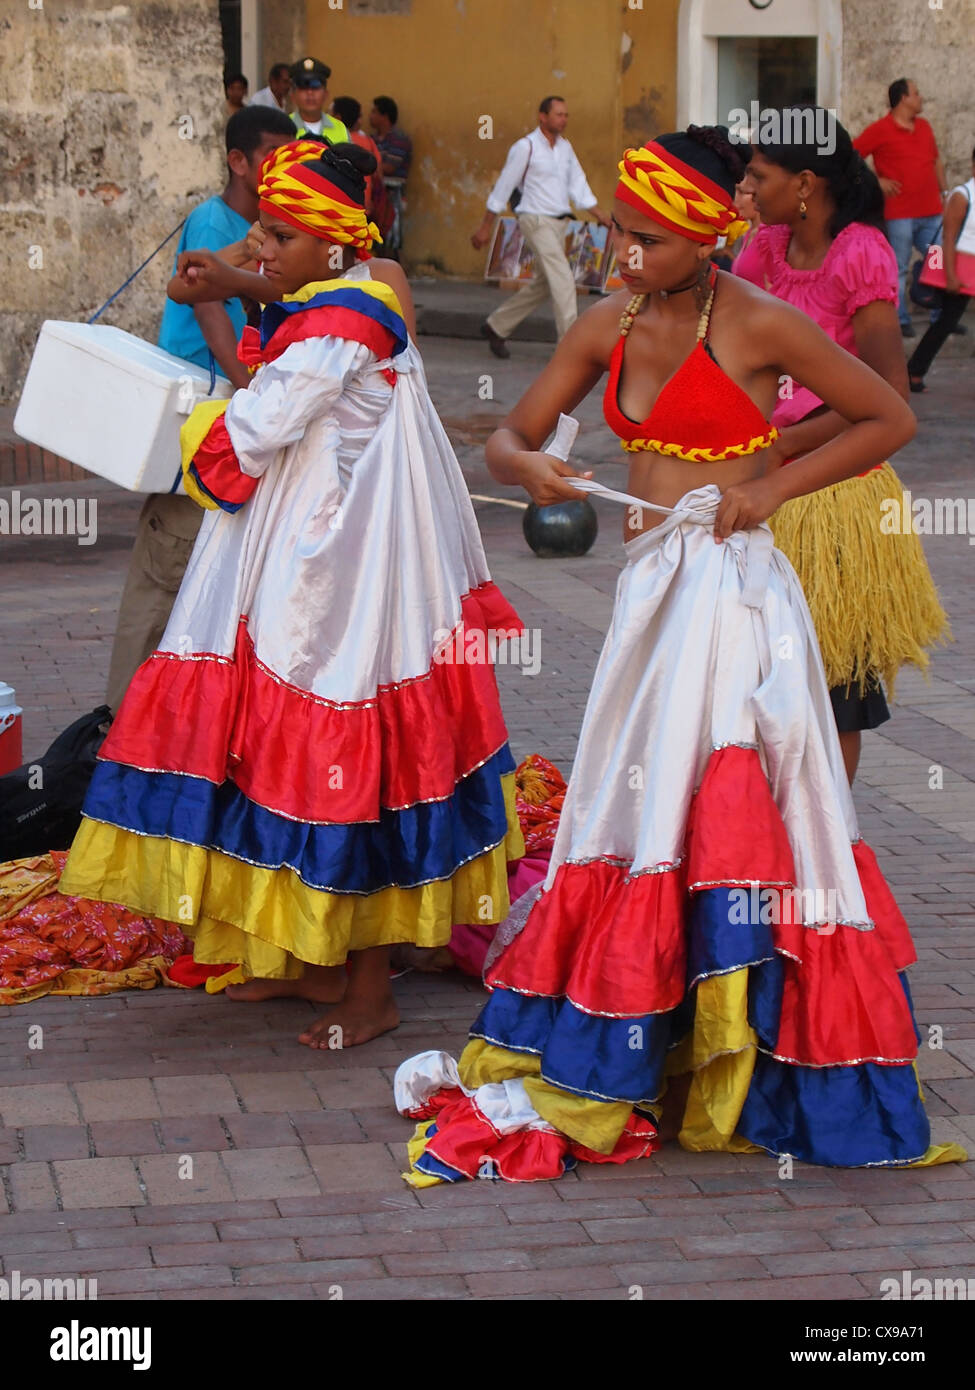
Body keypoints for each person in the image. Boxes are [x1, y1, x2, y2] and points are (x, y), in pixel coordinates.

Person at [394, 125, 965, 1182]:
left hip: (738, 599)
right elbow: (510, 434)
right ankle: (651, 1025)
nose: (623, 254)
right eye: (618, 232)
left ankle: (747, 1041)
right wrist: (536, 472)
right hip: (649, 593)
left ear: (703, 236)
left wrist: (766, 487)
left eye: (646, 238)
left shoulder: (760, 322)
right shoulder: (608, 323)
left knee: (739, 801)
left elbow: (884, 415)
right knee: (637, 799)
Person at [60, 141, 525, 1050]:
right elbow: (281, 329)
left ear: (337, 246)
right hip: (314, 562)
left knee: (350, 767)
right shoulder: (344, 298)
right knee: (294, 762)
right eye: (260, 229)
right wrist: (234, 282)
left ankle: (367, 991)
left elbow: (258, 421)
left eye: (280, 233)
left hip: (346, 587)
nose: (261, 246)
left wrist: (166, 409)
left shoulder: (343, 321)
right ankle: (313, 966)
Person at [735, 111, 949, 783]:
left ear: (804, 184)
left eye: (757, 175)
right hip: (758, 488)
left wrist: (786, 443)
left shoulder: (859, 253)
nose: (746, 186)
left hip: (834, 498)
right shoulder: (760, 250)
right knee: (753, 684)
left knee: (833, 694)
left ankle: (827, 840)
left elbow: (888, 393)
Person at [105, 105, 297, 715]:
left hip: (228, 425)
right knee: (165, 574)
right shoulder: (212, 223)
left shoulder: (273, 229)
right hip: (203, 416)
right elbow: (215, 323)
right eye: (272, 156)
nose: (282, 169)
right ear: (238, 161)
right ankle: (116, 735)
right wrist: (262, 408)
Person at [471, 96, 612, 358]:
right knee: (564, 281)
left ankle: (496, 326)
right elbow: (504, 186)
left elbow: (578, 185)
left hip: (559, 223)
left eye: (566, 115)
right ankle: (571, 351)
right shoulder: (526, 147)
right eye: (559, 114)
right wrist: (485, 227)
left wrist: (601, 215)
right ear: (543, 117)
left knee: (545, 284)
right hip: (534, 220)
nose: (564, 119)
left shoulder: (565, 148)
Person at [854, 79, 951, 338]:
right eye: (916, 94)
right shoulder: (880, 130)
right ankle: (900, 320)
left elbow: (936, 161)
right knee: (899, 266)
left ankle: (939, 315)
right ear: (903, 99)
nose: (921, 98)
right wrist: (877, 181)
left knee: (938, 261)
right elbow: (852, 158)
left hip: (931, 211)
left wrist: (946, 192)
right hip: (899, 214)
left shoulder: (925, 127)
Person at [908, 144, 975, 389]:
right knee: (946, 323)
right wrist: (950, 275)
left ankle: (915, 369)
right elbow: (948, 237)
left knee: (946, 322)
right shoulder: (962, 195)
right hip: (959, 268)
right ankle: (915, 370)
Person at [331, 95, 385, 219]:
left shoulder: (336, 140)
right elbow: (379, 173)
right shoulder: (367, 140)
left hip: (340, 207)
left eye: (329, 114)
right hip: (365, 206)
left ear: (337, 118)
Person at [289, 57, 348, 144]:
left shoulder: (340, 128)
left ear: (326, 94)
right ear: (293, 95)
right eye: (303, 87)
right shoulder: (282, 127)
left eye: (315, 86)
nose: (310, 93)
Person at [369, 96, 412, 182]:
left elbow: (389, 168)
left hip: (392, 192)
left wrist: (363, 165)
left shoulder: (400, 139)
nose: (370, 116)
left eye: (374, 112)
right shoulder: (371, 139)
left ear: (384, 116)